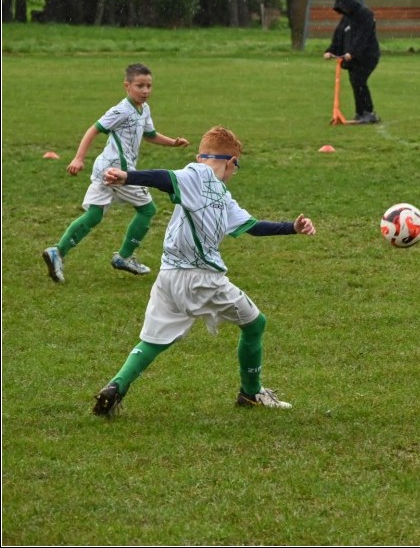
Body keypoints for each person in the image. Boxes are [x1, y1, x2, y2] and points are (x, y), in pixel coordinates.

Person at [92, 126, 316, 416]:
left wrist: (292, 228)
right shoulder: (199, 174)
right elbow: (165, 178)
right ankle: (250, 393)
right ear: (231, 161)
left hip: (168, 276)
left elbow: (254, 227)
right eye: (237, 167)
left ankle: (116, 387)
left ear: (201, 155)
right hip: (203, 279)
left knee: (154, 340)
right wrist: (128, 176)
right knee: (255, 324)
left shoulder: (221, 196)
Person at [42, 63, 190, 284]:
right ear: (127, 86)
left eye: (149, 86)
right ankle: (124, 256)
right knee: (147, 210)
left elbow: (149, 134)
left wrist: (173, 143)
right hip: (118, 172)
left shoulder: (144, 109)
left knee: (94, 215)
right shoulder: (121, 110)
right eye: (140, 86)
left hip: (107, 169)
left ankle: (57, 252)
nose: (146, 90)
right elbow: (94, 129)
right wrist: (79, 158)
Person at [323, 0, 381, 124]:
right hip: (353, 58)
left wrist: (352, 52)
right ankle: (360, 112)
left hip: (368, 56)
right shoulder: (346, 18)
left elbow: (363, 36)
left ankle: (368, 112)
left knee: (359, 80)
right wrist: (331, 50)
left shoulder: (366, 15)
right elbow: (339, 35)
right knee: (356, 82)